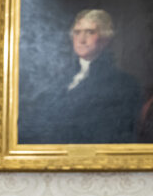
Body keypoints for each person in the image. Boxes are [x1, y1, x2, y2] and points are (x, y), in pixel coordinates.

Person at [19, 9, 143, 144]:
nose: (81, 39)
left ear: (105, 39)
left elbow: (107, 135)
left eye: (90, 32)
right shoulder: (60, 78)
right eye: (77, 32)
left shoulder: (123, 84)